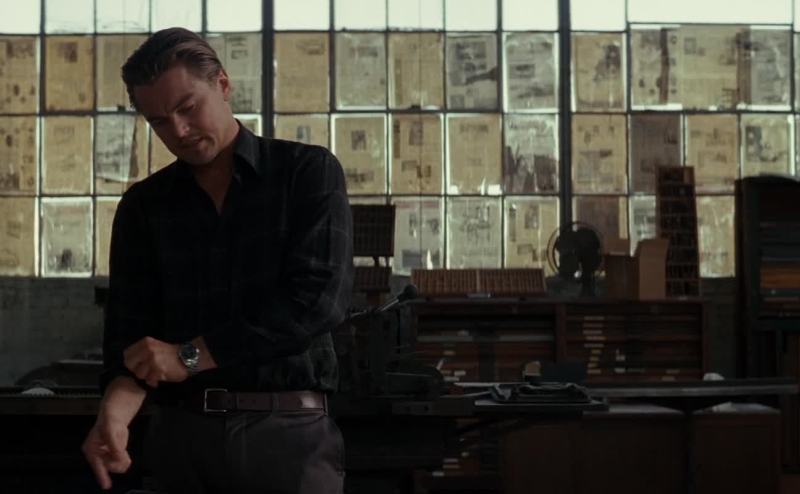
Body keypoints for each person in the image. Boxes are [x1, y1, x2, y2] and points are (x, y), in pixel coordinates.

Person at [81, 27, 353, 494]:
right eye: (159, 122)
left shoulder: (306, 172)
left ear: (223, 84)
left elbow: (317, 303)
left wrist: (187, 357)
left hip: (287, 434)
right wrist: (114, 414)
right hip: (183, 437)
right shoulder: (144, 207)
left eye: (188, 108)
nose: (179, 131)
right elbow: (131, 338)